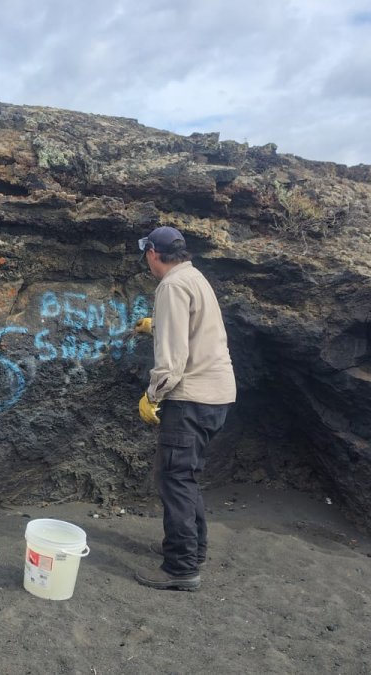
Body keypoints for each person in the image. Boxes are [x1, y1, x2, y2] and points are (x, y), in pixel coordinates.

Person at [132, 225, 235, 592]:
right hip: (217, 397)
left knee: (174, 479)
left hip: (191, 399)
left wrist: (153, 396)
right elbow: (194, 326)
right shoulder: (194, 277)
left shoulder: (171, 287)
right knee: (186, 477)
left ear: (153, 254)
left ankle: (180, 568)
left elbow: (172, 361)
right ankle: (194, 550)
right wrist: (157, 325)